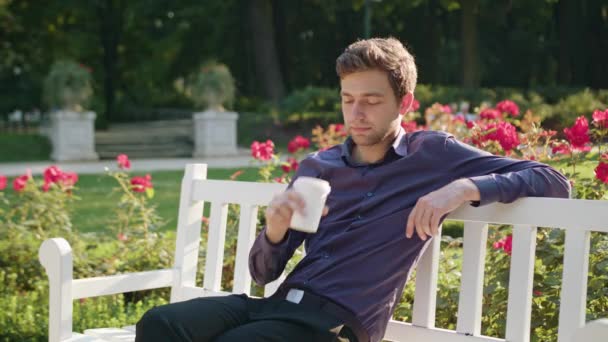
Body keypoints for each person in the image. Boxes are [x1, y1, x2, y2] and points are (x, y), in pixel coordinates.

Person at [136, 37, 570, 342]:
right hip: (278, 304)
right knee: (160, 324)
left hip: (335, 326)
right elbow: (264, 274)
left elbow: (554, 181)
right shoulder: (318, 166)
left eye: (372, 100)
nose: (357, 113)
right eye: (348, 99)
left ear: (405, 103)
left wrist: (462, 187)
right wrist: (274, 232)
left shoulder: (432, 155)